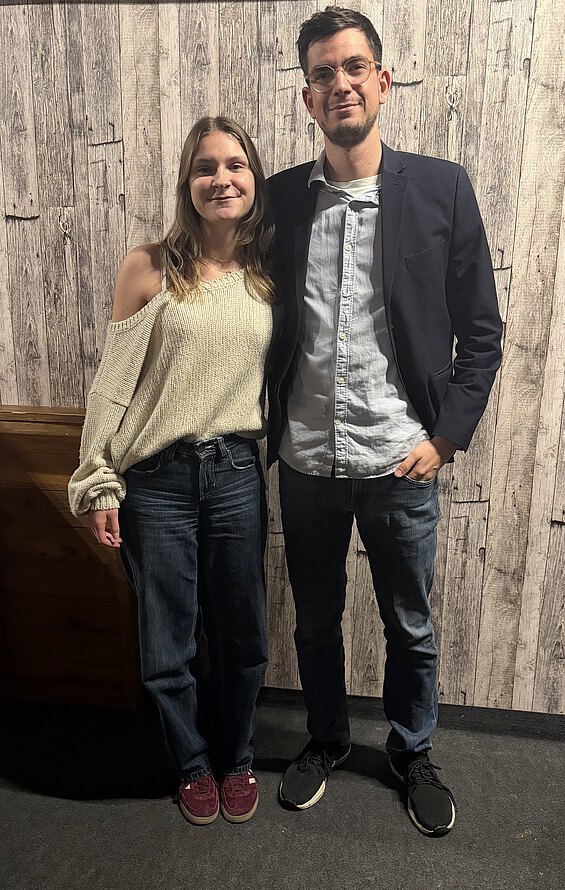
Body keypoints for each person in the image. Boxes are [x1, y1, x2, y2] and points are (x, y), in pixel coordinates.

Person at [267, 6, 502, 837]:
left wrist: (446, 438)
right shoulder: (279, 200)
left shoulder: (441, 188)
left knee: (410, 624)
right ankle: (327, 738)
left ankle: (412, 751)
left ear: (383, 81)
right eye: (323, 73)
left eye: (354, 67)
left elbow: (482, 331)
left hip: (401, 459)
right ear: (307, 96)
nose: (341, 84)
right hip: (305, 460)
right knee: (315, 620)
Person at [69, 116, 276, 826]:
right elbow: (112, 386)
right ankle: (192, 764)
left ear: (254, 177)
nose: (222, 179)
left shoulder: (268, 274)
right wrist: (97, 478)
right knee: (168, 642)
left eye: (235, 165)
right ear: (188, 184)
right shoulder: (149, 266)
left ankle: (236, 756)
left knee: (243, 637)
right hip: (156, 483)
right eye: (205, 167)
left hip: (236, 475)